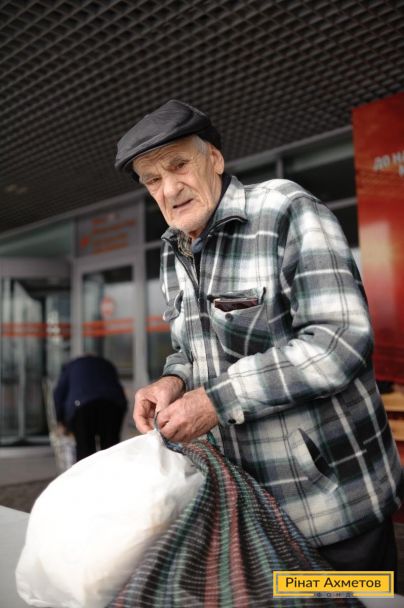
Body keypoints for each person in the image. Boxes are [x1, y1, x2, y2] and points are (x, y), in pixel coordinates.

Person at [114, 99, 403, 573]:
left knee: (358, 601)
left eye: (179, 165)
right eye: (152, 179)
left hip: (334, 509)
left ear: (215, 159)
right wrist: (174, 381)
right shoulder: (174, 249)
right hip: (249, 514)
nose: (169, 188)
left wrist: (216, 401)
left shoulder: (286, 209)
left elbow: (338, 342)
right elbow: (192, 349)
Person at [53, 353, 128, 460]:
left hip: (82, 407)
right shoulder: (106, 364)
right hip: (112, 404)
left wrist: (60, 420)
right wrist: (123, 408)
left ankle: (87, 470)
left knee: (85, 449)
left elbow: (58, 394)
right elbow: (117, 387)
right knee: (111, 447)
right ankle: (112, 469)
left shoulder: (71, 367)